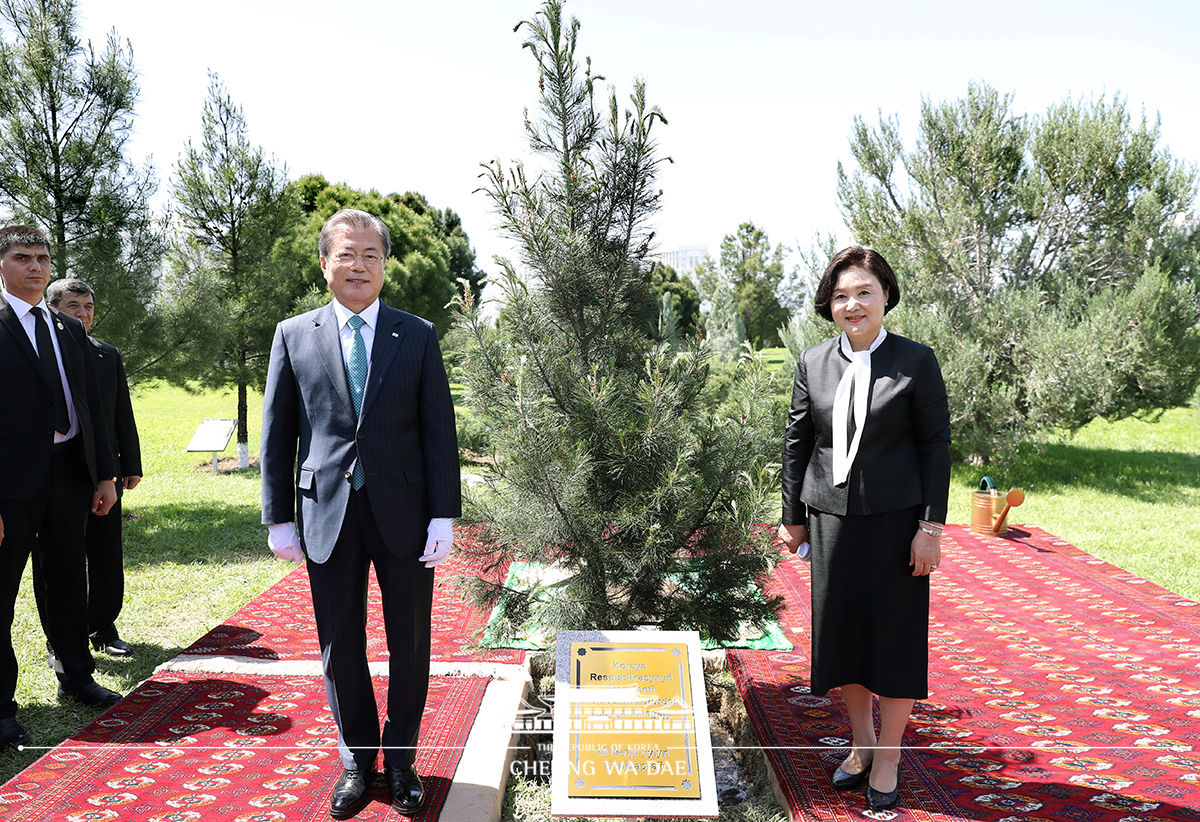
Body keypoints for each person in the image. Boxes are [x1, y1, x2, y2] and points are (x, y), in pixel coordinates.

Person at [260, 208, 461, 818]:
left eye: (371, 255)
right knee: (338, 642)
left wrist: (444, 516)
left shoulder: (416, 334)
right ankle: (357, 760)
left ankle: (400, 761)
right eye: (346, 254)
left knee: (410, 640)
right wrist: (278, 518)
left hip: (404, 513)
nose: (359, 265)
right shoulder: (294, 334)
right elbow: (277, 433)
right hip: (327, 512)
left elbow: (437, 433)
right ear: (325, 263)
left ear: (385, 266)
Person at [777, 246, 950, 812]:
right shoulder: (813, 362)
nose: (852, 303)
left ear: (885, 297)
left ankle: (891, 756)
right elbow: (799, 441)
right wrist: (793, 517)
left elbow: (935, 447)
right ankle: (861, 744)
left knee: (895, 641)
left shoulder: (916, 361)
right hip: (830, 521)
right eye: (841, 295)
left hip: (899, 524)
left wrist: (931, 528)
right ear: (830, 304)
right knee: (844, 637)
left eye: (864, 292)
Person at [0, 225, 123, 751]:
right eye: (23, 258)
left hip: (71, 475)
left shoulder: (67, 329)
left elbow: (93, 408)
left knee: (68, 579)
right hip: (9, 485)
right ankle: (1, 708)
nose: (35, 267)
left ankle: (75, 672)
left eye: (43, 259)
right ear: (1, 264)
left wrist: (104, 473)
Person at [45, 279, 142, 657]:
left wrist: (129, 465)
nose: (83, 314)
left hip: (104, 472)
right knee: (56, 560)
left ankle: (102, 625)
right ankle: (60, 637)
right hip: (59, 472)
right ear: (54, 310)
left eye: (88, 306)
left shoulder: (107, 355)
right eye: (74, 306)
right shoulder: (45, 356)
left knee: (105, 553)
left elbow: (121, 414)